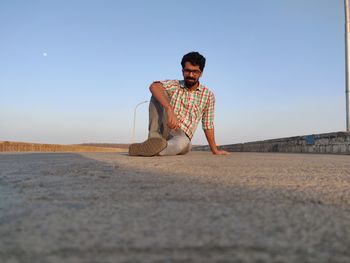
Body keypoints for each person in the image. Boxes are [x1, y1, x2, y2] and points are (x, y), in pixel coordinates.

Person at [129, 51, 229, 156]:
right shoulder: (175, 85)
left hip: (181, 136)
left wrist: (215, 150)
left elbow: (208, 125)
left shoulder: (208, 96)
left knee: (184, 143)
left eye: (195, 72)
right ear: (182, 71)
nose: (190, 75)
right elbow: (153, 86)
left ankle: (153, 150)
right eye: (187, 71)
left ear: (201, 73)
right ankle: (154, 140)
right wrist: (169, 109)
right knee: (158, 91)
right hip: (165, 127)